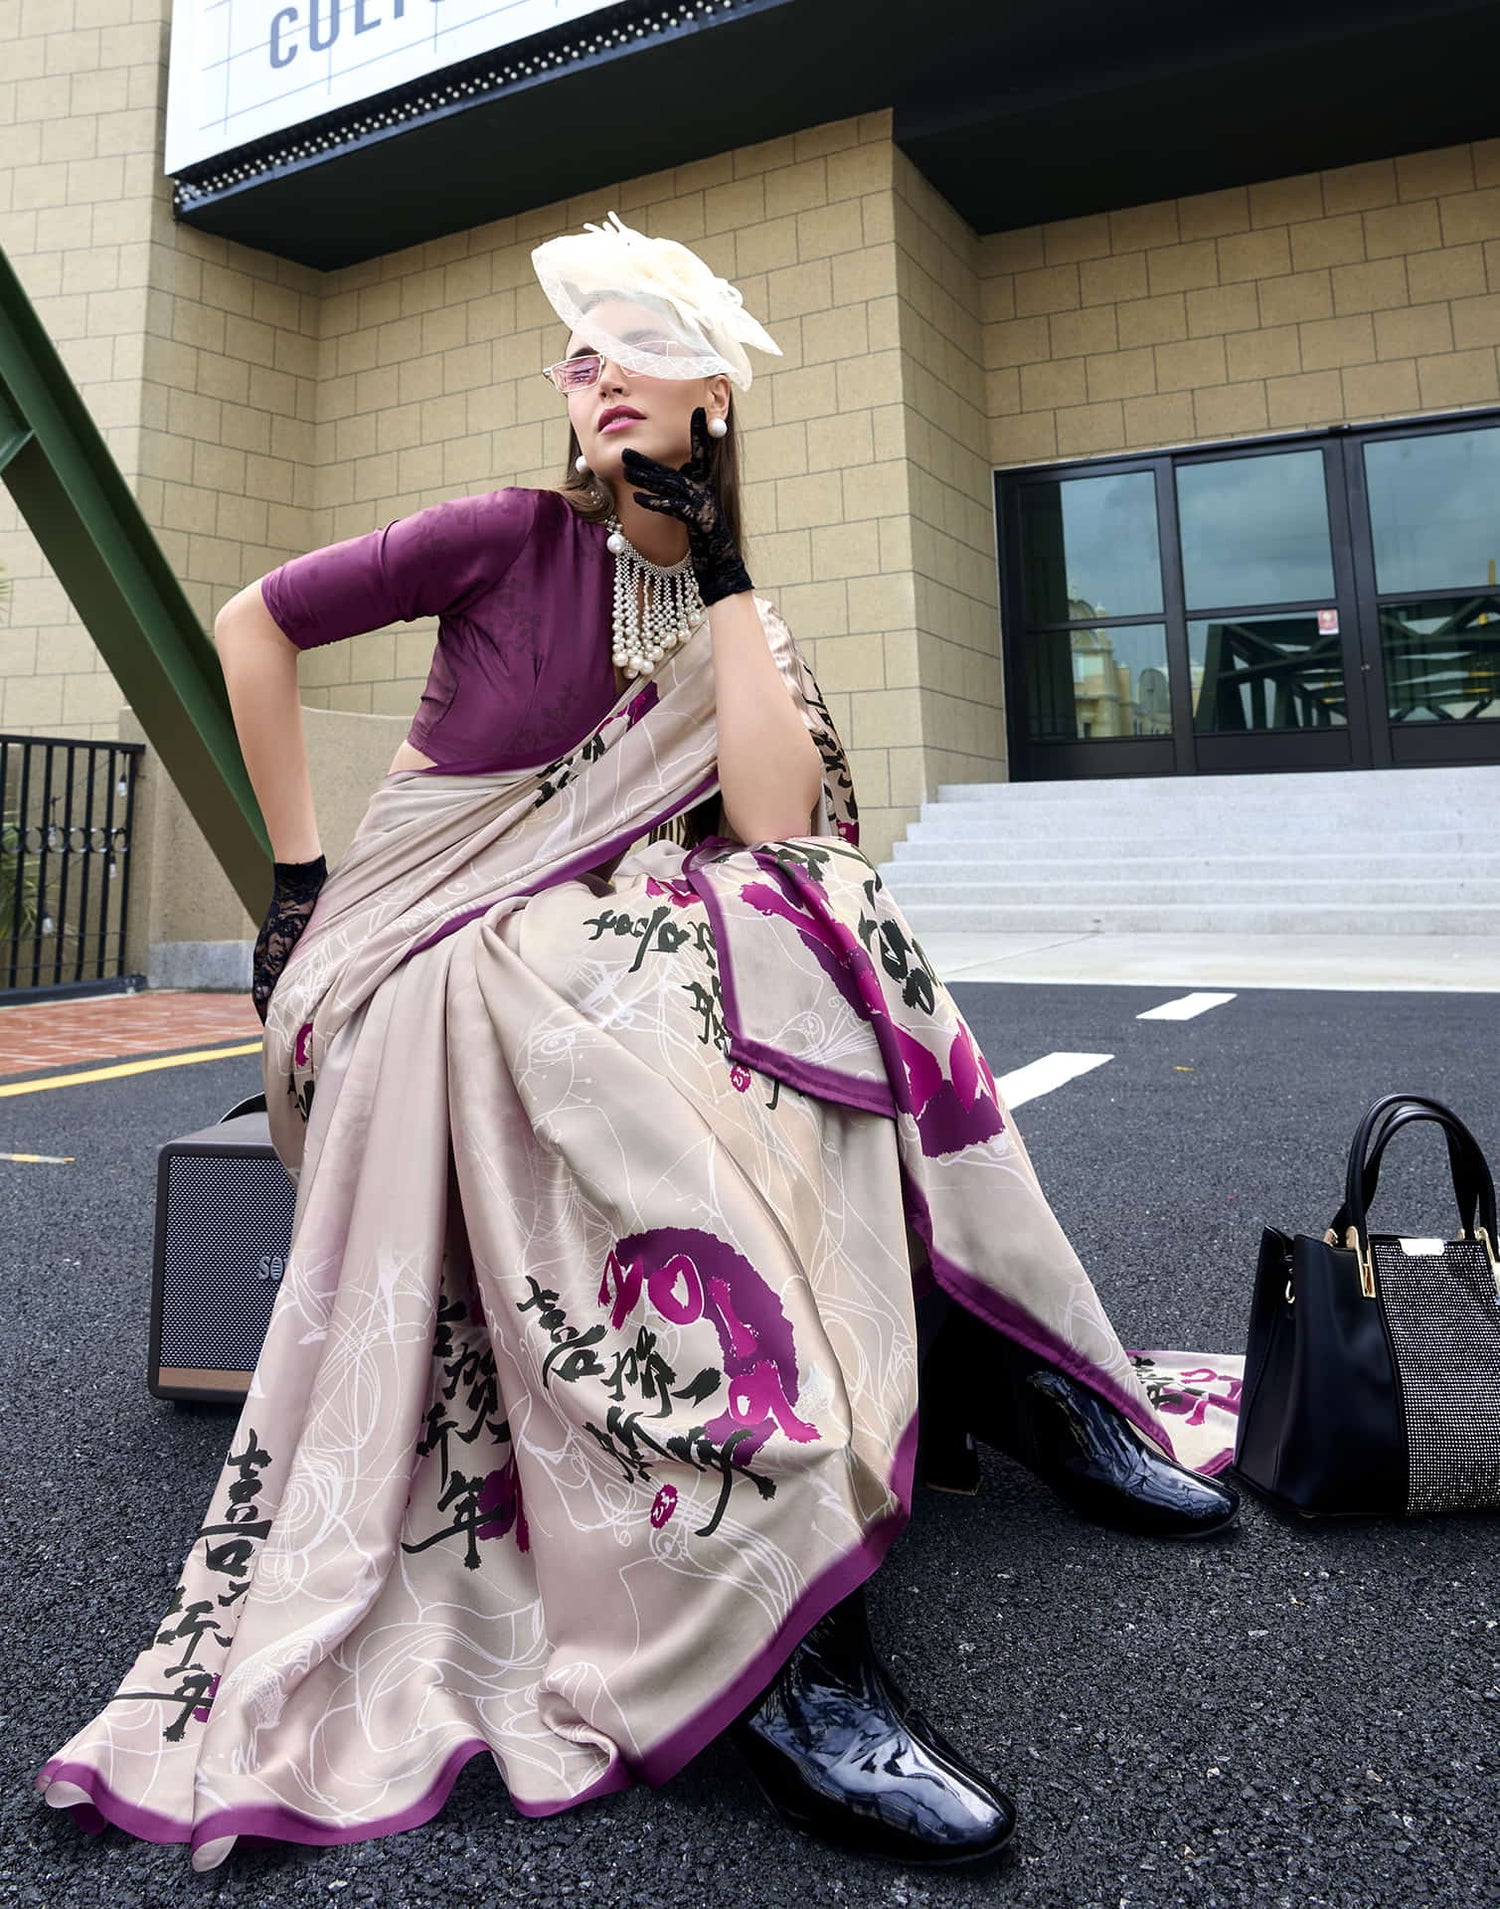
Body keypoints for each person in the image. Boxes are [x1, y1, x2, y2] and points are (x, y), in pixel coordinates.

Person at [34, 212, 1239, 1874]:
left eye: (628, 342)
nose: (588, 366)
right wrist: (299, 883)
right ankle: (776, 1634)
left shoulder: (739, 611)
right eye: (577, 348)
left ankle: (1011, 1360)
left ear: (713, 403)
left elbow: (775, 820)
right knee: (642, 1021)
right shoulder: (505, 534)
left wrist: (724, 571)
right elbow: (254, 623)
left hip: (616, 957)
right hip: (422, 968)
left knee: (811, 920)